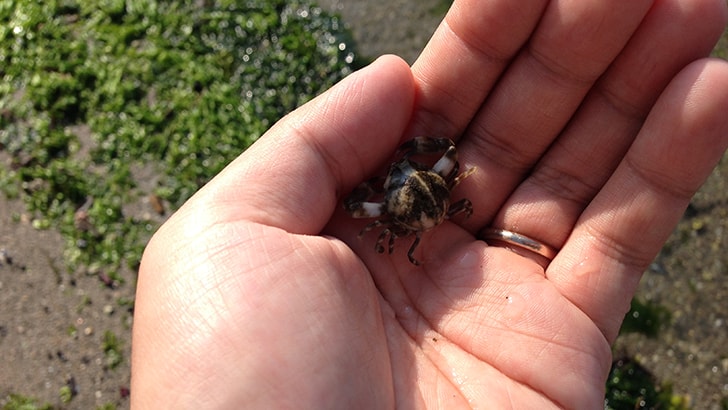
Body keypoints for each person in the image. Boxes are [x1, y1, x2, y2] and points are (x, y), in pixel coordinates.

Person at [130, 0, 728, 407]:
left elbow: (387, 203)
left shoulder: (394, 213)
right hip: (433, 204)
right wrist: (431, 181)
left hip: (421, 208)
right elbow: (427, 171)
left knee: (400, 206)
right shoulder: (428, 187)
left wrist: (400, 195)